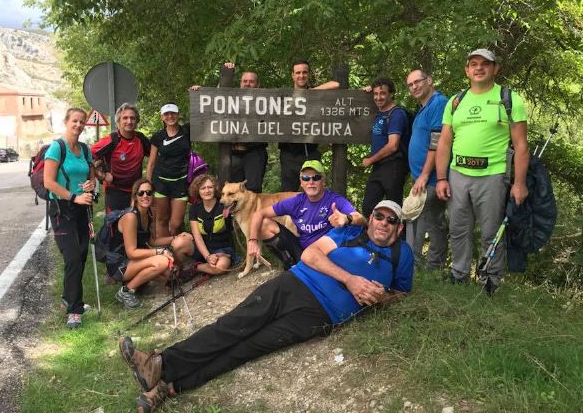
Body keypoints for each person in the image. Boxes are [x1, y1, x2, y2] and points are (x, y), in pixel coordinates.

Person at [119, 200, 414, 412]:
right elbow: (310, 255)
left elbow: (400, 293)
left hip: (319, 316)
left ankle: (167, 389)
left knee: (248, 348)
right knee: (235, 325)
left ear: (398, 229)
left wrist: (380, 297)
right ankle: (161, 364)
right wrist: (351, 280)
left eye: (391, 221)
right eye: (379, 216)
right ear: (371, 217)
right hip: (294, 285)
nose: (383, 224)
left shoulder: (403, 255)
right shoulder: (349, 234)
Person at [435, 49, 529, 289]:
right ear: (467, 70)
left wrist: (519, 183)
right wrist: (441, 178)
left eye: (485, 64)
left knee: (491, 231)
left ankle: (490, 280)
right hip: (457, 175)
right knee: (458, 229)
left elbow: (520, 145)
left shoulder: (509, 99)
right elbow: (444, 142)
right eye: (473, 64)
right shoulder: (456, 101)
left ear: (495, 69)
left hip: (493, 175)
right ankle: (459, 274)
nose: (479, 68)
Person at [248, 160, 365, 269]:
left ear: (323, 181)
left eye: (316, 177)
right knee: (264, 224)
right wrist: (252, 241)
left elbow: (362, 219)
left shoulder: (334, 200)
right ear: (301, 183)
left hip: (327, 252)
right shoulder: (296, 201)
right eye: (306, 178)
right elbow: (258, 214)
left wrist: (347, 218)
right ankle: (291, 265)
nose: (311, 182)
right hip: (302, 251)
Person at [43, 107, 96, 329]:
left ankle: (68, 296)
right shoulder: (57, 148)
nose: (78, 125)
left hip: (81, 209)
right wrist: (73, 197)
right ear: (67, 122)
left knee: (81, 254)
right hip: (61, 209)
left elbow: (91, 177)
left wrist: (90, 187)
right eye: (75, 121)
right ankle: (74, 310)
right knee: (72, 256)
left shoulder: (85, 149)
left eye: (82, 121)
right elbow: (49, 182)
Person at [112, 178, 194, 308]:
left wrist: (176, 237)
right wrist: (160, 252)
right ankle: (126, 291)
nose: (145, 196)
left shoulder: (149, 213)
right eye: (141, 193)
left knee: (169, 273)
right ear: (135, 196)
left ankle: (141, 282)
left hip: (135, 260)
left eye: (149, 193)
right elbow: (131, 252)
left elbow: (152, 241)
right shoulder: (130, 217)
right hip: (120, 264)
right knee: (162, 262)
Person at [191, 63, 268, 192]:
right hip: (232, 153)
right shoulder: (231, 99)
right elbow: (217, 99)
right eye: (245, 81)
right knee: (231, 190)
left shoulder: (267, 102)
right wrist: (202, 93)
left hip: (255, 152)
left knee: (254, 190)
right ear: (240, 83)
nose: (247, 84)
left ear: (258, 85)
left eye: (251, 82)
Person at [405, 70, 449, 269]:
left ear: (429, 80)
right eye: (410, 84)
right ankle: (419, 267)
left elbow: (437, 141)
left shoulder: (438, 103)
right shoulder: (423, 107)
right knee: (421, 220)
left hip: (431, 178)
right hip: (421, 178)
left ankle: (431, 268)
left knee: (429, 222)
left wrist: (424, 174)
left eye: (417, 82)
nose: (414, 86)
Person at [278, 59, 340, 192]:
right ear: (293, 75)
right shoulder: (284, 96)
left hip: (311, 152)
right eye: (298, 73)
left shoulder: (316, 93)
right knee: (288, 194)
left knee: (315, 192)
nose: (301, 76)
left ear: (309, 74)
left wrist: (310, 93)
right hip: (288, 154)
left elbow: (335, 84)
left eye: (304, 72)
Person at [361, 77, 409, 217]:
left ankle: (398, 238)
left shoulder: (397, 114)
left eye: (382, 93)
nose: (378, 97)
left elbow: (393, 145)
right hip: (379, 167)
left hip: (393, 166)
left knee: (393, 209)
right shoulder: (380, 112)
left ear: (391, 94)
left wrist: (370, 160)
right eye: (375, 94)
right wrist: (364, 92)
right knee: (368, 207)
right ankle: (372, 238)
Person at [91, 103, 150, 212]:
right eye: (125, 118)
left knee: (136, 225)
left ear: (137, 121)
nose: (129, 121)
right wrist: (101, 175)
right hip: (115, 192)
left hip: (136, 191)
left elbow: (155, 157)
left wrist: (149, 177)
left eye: (132, 118)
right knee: (115, 226)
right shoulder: (111, 140)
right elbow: (86, 157)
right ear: (118, 121)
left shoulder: (141, 139)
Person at [146, 103, 191, 239]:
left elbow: (205, 113)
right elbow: (152, 162)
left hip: (181, 182)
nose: (170, 116)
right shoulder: (158, 136)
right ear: (162, 117)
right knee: (162, 220)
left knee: (176, 224)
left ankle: (177, 250)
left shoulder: (187, 130)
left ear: (178, 114)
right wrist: (148, 185)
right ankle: (164, 252)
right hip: (161, 183)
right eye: (166, 114)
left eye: (173, 113)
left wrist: (200, 91)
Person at [186, 174, 236, 276]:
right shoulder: (194, 208)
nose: (207, 191)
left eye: (210, 187)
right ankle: (176, 272)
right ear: (198, 191)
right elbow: (197, 236)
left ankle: (196, 267)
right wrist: (207, 256)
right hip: (203, 248)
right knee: (179, 244)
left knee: (219, 268)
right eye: (203, 188)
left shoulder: (223, 204)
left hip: (223, 248)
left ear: (215, 188)